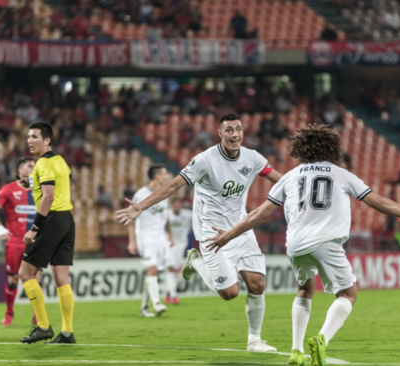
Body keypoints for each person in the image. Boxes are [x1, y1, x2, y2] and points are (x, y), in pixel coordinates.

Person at [204, 124, 400, 366]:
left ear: (302, 149)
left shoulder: (290, 176)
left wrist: (229, 235)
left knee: (305, 289)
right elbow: (379, 202)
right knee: (348, 294)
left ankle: (296, 351)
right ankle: (321, 340)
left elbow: (259, 214)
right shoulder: (341, 174)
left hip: (296, 244)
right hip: (326, 242)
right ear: (332, 149)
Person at [115, 113, 283, 352]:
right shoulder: (204, 160)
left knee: (257, 284)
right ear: (220, 133)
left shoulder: (252, 158)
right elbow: (173, 185)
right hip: (211, 232)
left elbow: (280, 180)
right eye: (229, 130)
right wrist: (141, 206)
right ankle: (196, 262)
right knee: (229, 293)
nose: (235, 134)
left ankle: (254, 341)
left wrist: (301, 186)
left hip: (240, 228)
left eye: (238, 129)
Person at [18, 122, 77, 344]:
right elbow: (61, 185)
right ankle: (68, 333)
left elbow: (49, 197)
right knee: (61, 278)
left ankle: (43, 326)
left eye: (34, 136)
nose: (29, 141)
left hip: (51, 220)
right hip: (67, 220)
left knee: (25, 273)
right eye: (28, 137)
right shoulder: (60, 161)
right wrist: (31, 182)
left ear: (47, 140)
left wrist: (34, 228)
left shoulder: (43, 164)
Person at [0, 157, 42, 326]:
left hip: (35, 242)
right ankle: (9, 313)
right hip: (15, 243)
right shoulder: (8, 190)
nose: (33, 167)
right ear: (20, 171)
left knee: (35, 278)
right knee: (13, 280)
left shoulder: (39, 189)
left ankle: (37, 316)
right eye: (30, 165)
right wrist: (0, 229)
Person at [128, 164, 173, 317]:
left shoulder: (164, 193)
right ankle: (157, 303)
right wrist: (132, 241)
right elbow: (131, 218)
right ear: (157, 176)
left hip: (160, 237)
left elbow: (165, 217)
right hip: (145, 236)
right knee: (152, 270)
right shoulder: (141, 195)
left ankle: (144, 308)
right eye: (165, 174)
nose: (167, 176)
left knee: (154, 273)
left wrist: (170, 235)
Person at [165, 197, 193, 305]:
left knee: (178, 272)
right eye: (175, 205)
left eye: (178, 205)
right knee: (170, 268)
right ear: (172, 206)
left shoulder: (188, 215)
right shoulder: (167, 214)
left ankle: (169, 292)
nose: (177, 207)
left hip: (181, 246)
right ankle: (174, 296)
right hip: (169, 244)